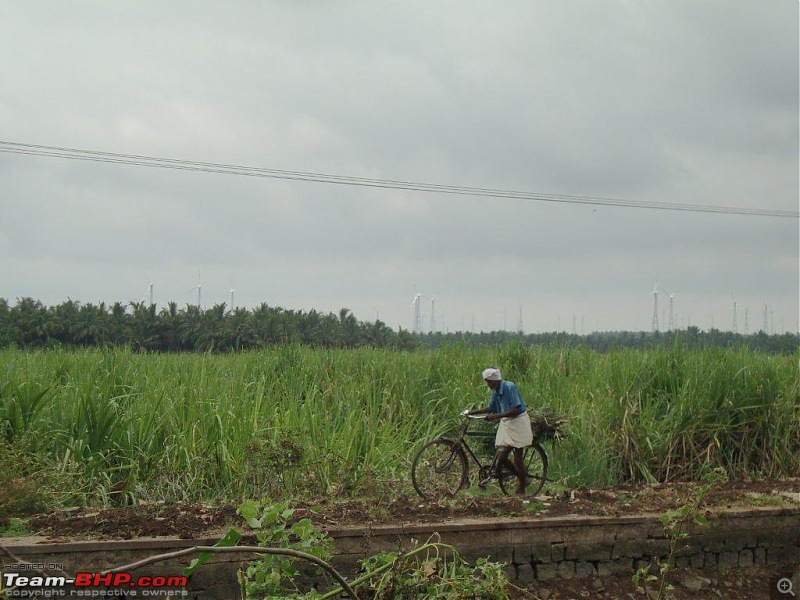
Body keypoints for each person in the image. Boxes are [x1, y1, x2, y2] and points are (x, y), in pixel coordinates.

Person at [467, 367, 533, 494]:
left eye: (489, 382)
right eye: (487, 382)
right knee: (502, 457)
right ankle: (521, 477)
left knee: (518, 458)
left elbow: (515, 409)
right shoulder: (496, 391)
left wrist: (496, 416)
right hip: (507, 422)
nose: (488, 385)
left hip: (518, 422)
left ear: (496, 380)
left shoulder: (510, 387)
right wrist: (471, 413)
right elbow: (491, 407)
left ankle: (522, 486)